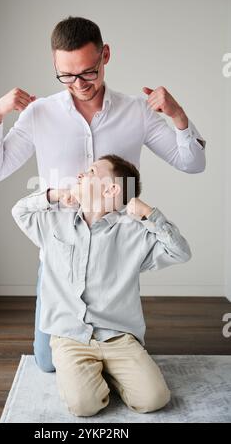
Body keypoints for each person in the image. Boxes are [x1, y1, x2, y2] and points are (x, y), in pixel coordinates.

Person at [0, 16, 205, 373]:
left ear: (105, 56)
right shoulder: (40, 113)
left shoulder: (136, 111)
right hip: (61, 253)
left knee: (121, 358)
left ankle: (114, 346)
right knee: (48, 364)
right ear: (55, 66)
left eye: (87, 72)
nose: (78, 84)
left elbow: (192, 164)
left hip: (117, 251)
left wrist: (177, 115)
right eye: (66, 75)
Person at [11, 154, 191, 417]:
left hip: (118, 336)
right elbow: (19, 211)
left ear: (112, 189)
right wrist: (55, 195)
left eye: (92, 171)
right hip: (70, 336)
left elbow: (180, 252)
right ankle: (95, 374)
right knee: (85, 406)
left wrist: (149, 214)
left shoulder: (135, 232)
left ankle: (111, 372)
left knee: (154, 398)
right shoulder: (54, 222)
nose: (82, 174)